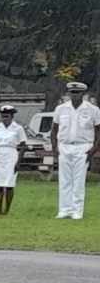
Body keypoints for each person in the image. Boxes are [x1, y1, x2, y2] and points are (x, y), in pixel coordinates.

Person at [52, 82, 96, 221]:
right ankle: (64, 210)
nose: (74, 95)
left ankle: (77, 211)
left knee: (78, 180)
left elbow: (99, 132)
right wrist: (55, 149)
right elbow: (54, 130)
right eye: (72, 92)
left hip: (83, 146)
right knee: (64, 180)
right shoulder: (61, 109)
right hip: (64, 146)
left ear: (83, 94)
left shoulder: (92, 110)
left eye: (77, 92)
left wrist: (92, 151)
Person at [0, 103, 25, 216]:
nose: (5, 118)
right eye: (3, 116)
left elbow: (23, 145)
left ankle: (7, 210)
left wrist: (18, 161)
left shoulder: (18, 128)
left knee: (9, 184)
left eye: (7, 116)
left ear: (12, 116)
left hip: (11, 154)